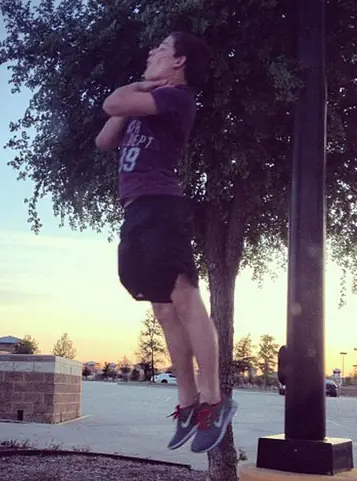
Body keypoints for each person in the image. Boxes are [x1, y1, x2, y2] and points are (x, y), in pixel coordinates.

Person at [95, 32, 237, 454]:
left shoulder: (177, 98)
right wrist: (140, 91)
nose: (150, 52)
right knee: (162, 309)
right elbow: (105, 138)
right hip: (136, 212)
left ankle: (214, 401)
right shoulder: (147, 103)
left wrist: (139, 87)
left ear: (179, 61)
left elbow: (112, 103)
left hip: (162, 208)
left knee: (186, 300)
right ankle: (188, 403)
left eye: (160, 48)